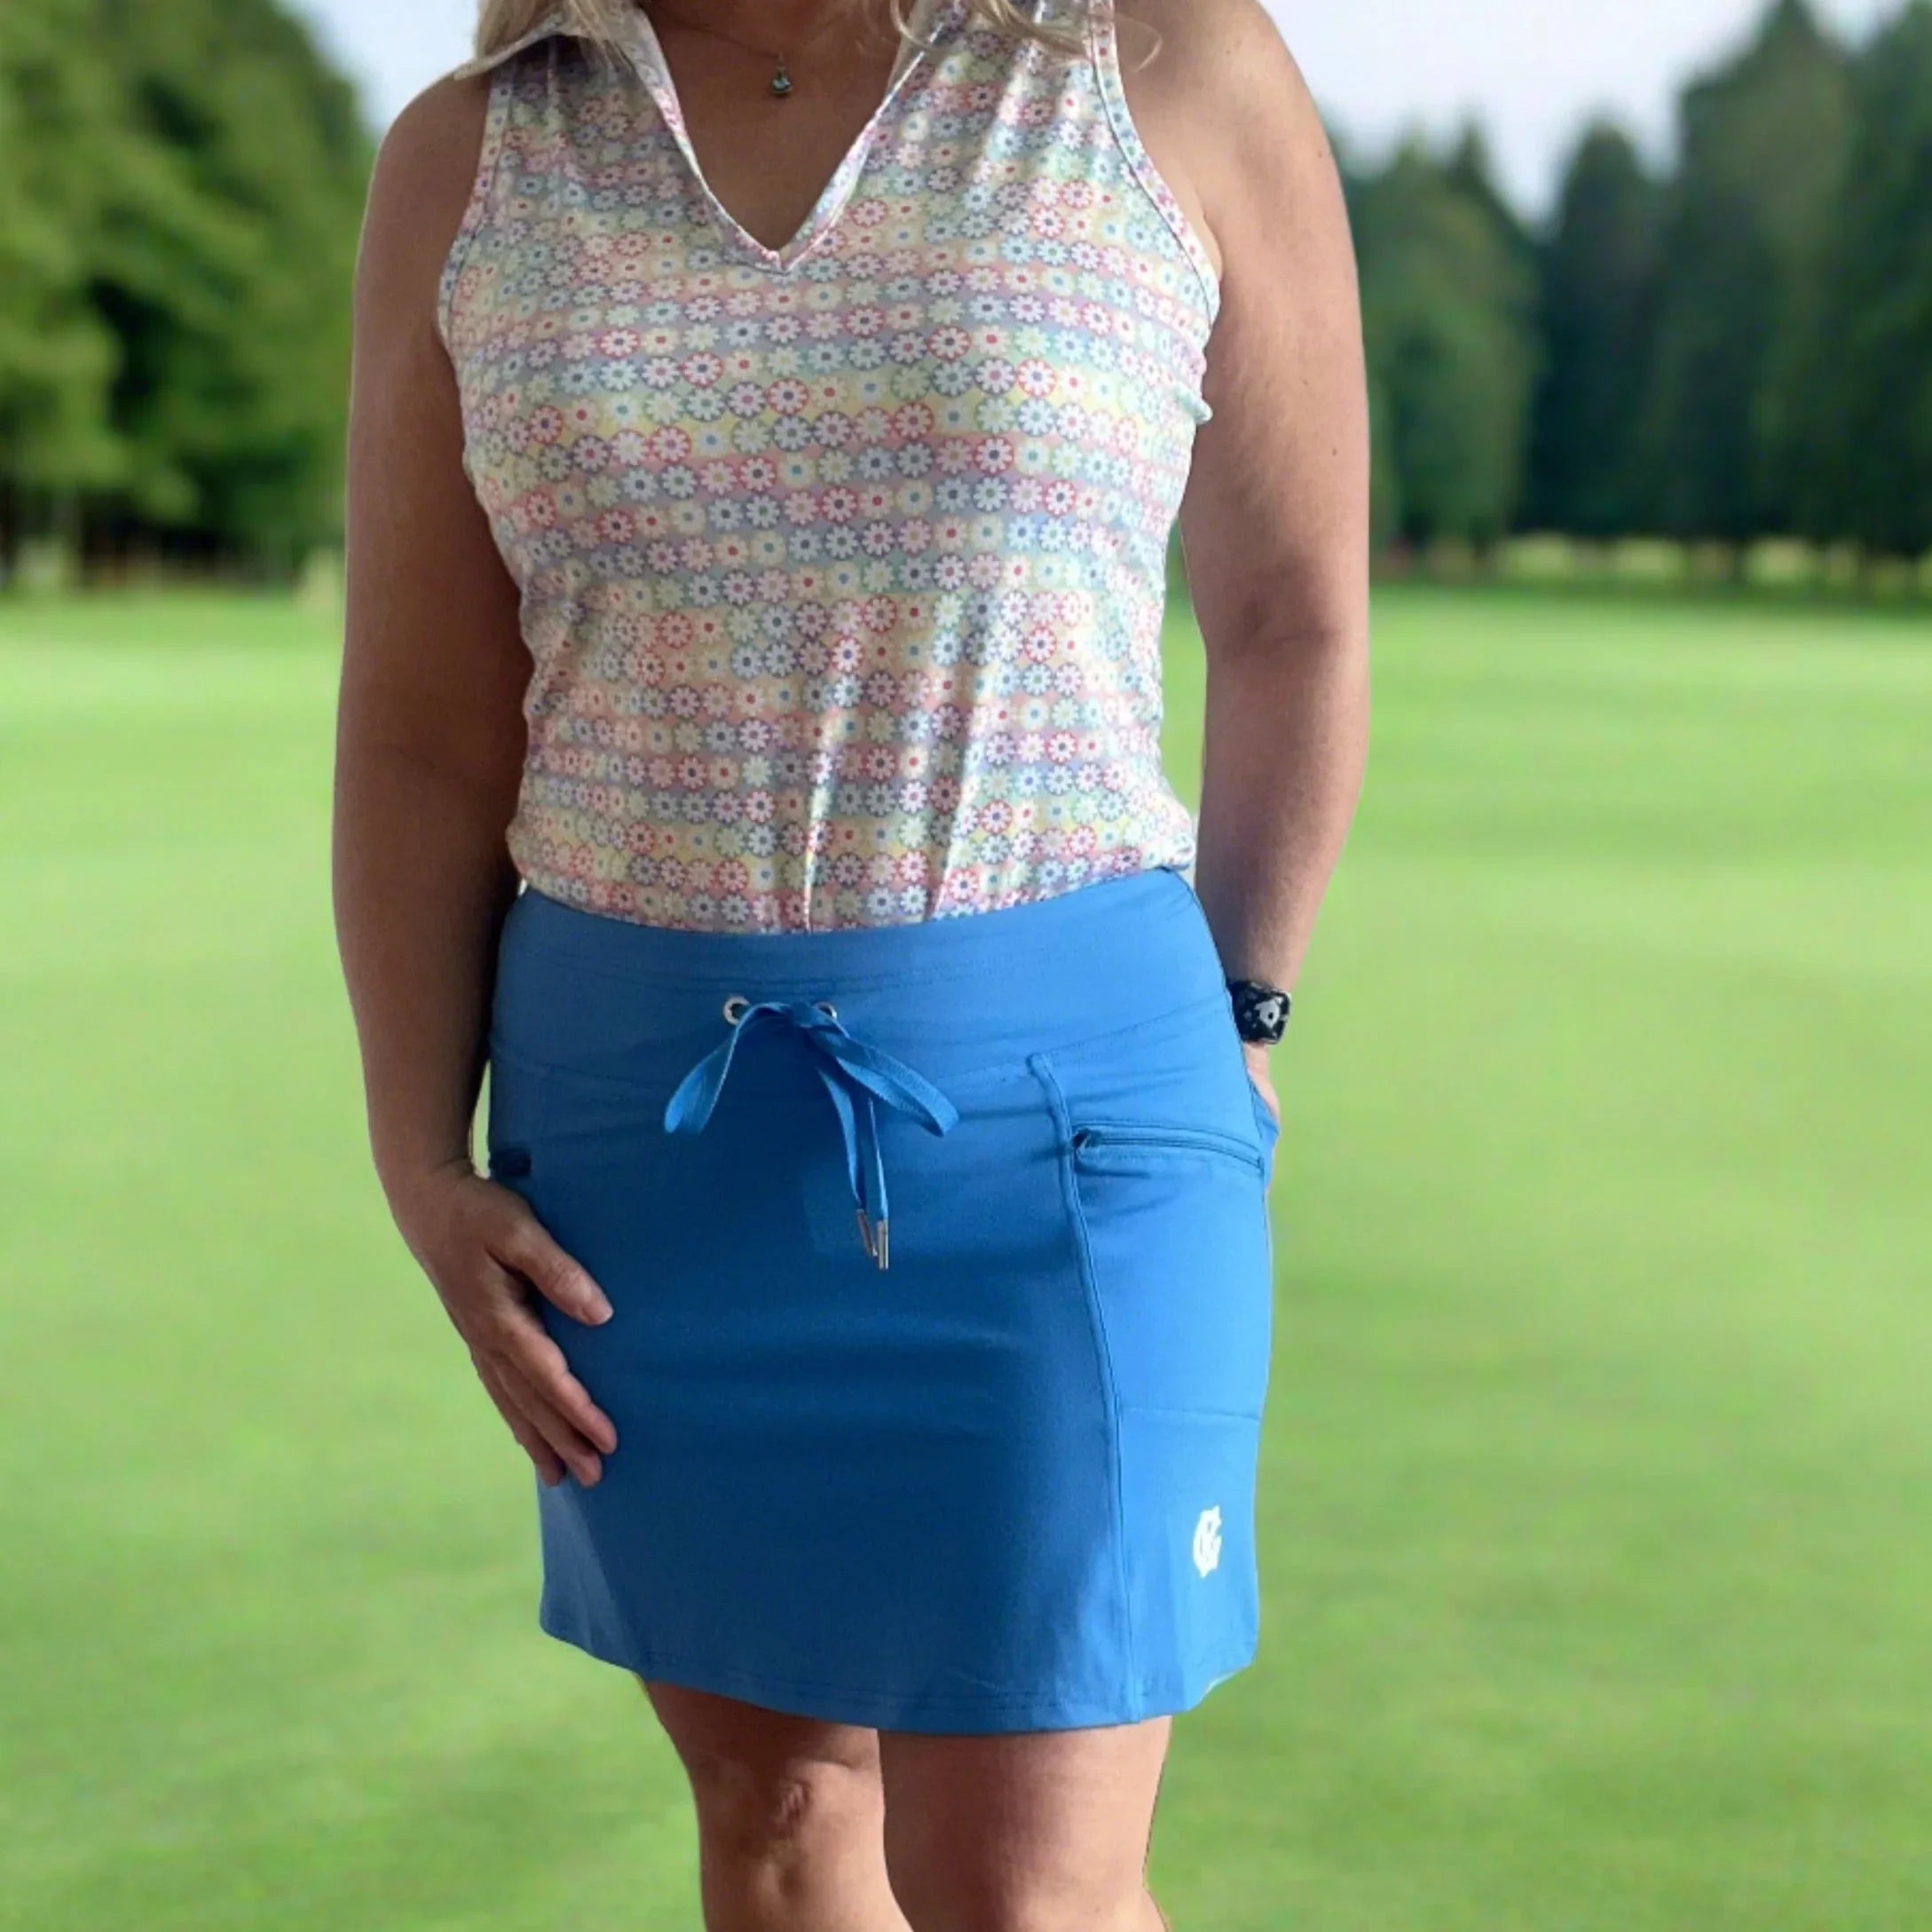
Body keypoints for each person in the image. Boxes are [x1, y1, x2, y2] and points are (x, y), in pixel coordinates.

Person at [333, 0, 1368, 1923]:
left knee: (1031, 1890)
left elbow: (1295, 618)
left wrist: (1244, 1016)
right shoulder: (479, 155)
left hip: (1066, 1132)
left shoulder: (1165, 66)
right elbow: (421, 730)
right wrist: (416, 1157)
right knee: (776, 1822)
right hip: (640, 1155)